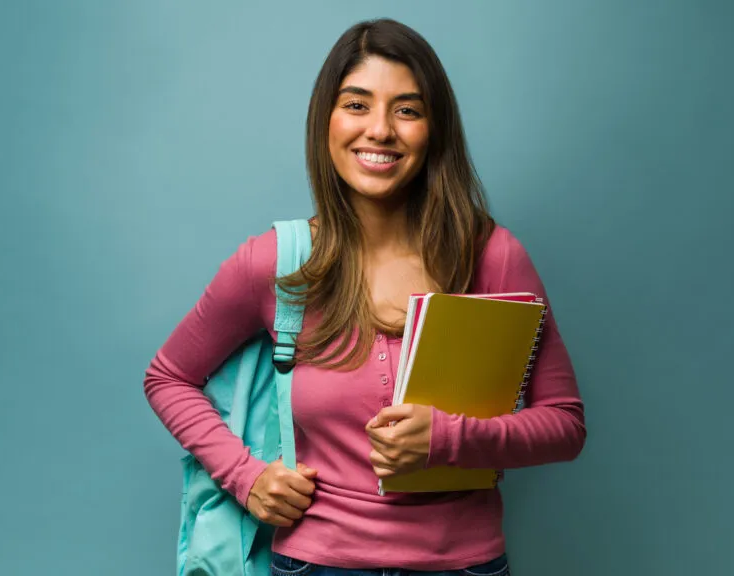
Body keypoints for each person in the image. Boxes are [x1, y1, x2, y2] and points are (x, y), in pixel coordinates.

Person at [144, 17, 586, 576]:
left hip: (464, 566)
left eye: (407, 109)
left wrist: (450, 438)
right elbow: (167, 377)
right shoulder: (277, 262)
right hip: (314, 564)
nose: (380, 129)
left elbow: (565, 425)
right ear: (324, 121)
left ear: (435, 129)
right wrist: (246, 477)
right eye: (356, 105)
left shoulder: (492, 256)